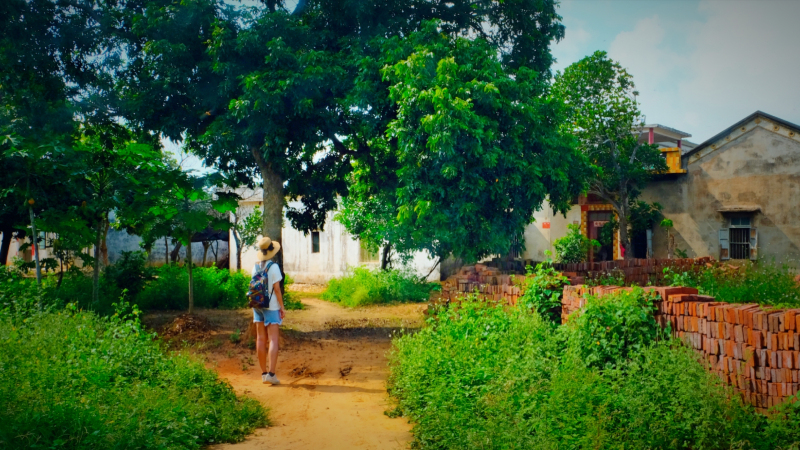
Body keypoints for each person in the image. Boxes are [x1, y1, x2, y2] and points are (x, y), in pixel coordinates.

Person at [251, 236, 285, 385]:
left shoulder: (255, 266)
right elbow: (277, 289)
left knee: (260, 338)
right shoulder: (274, 267)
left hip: (257, 305)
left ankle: (263, 373)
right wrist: (282, 307)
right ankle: (271, 373)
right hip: (271, 306)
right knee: (273, 339)